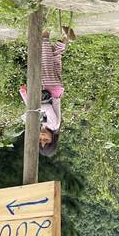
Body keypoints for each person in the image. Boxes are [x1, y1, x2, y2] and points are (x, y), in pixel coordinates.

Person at [20, 26, 75, 157]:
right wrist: (32, 110)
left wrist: (25, 96)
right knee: (44, 60)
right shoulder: (53, 124)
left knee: (55, 59)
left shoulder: (40, 124)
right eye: (46, 140)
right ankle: (45, 32)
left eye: (40, 140)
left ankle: (66, 37)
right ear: (53, 139)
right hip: (51, 87)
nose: (43, 137)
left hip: (54, 89)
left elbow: (33, 107)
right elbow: (46, 108)